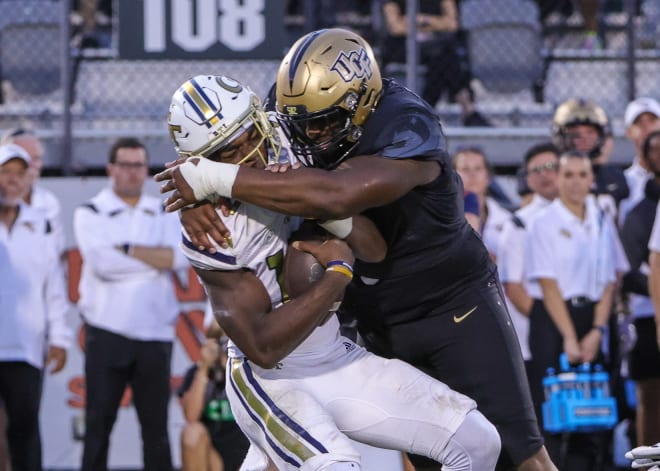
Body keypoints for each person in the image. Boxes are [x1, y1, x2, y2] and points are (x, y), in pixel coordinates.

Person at [156, 29, 556, 471]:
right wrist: (192, 192)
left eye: (325, 121)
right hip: (344, 323)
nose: (308, 134)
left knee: (509, 445)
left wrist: (210, 179)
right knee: (394, 460)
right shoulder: (269, 141)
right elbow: (262, 346)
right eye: (298, 121)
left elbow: (338, 200)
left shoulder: (405, 125)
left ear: (362, 102)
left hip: (450, 300)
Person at [74, 137, 189, 471]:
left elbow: (178, 258)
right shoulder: (91, 211)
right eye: (125, 165)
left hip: (155, 335)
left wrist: (124, 247)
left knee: (155, 431)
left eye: (139, 165)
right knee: (98, 425)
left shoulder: (163, 210)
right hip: (107, 332)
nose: (132, 173)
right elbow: (101, 264)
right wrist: (152, 258)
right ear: (111, 169)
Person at [525, 150, 618, 469]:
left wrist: (597, 331)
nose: (576, 183)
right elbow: (548, 284)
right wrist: (569, 337)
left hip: (594, 317)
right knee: (553, 410)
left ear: (592, 179)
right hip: (553, 321)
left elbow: (609, 280)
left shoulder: (602, 216)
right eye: (568, 175)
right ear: (558, 179)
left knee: (594, 407)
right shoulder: (542, 222)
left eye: (582, 175)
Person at [0, 143, 72, 471]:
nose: (12, 181)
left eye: (19, 174)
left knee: (25, 430)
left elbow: (53, 287)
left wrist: (59, 337)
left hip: (26, 347)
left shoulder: (41, 226)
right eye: (5, 172)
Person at [497, 142, 560, 373]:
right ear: (528, 180)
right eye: (536, 170)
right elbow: (513, 287)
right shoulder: (518, 224)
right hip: (539, 333)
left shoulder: (592, 215)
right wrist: (549, 324)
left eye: (551, 166)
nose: (544, 174)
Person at [380, 0, 490, 126]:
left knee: (444, 55)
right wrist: (436, 22)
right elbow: (395, 27)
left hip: (437, 44)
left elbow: (452, 24)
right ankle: (467, 108)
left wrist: (420, 20)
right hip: (403, 46)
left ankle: (425, 110)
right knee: (447, 56)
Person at [621, 130, 660, 448]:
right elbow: (632, 271)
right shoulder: (638, 212)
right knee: (649, 394)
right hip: (649, 316)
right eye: (655, 149)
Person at [177, 337, 250, 471]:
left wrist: (237, 366)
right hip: (211, 456)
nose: (226, 349)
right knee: (192, 433)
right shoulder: (197, 372)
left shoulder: (253, 370)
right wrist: (205, 368)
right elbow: (191, 416)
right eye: (222, 344)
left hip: (248, 456)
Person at [551, 97, 629, 219]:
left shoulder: (614, 177)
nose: (584, 138)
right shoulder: (549, 174)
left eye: (590, 132)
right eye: (575, 133)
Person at [1, 127, 65, 254]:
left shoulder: (49, 202)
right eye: (23, 158)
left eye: (36, 159)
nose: (32, 167)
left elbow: (54, 255)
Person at [453, 147, 512, 262]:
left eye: (478, 168)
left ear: (488, 177)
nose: (472, 174)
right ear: (453, 178)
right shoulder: (440, 219)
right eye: (465, 169)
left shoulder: (507, 220)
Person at [619, 97, 660, 227]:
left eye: (652, 120)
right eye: (638, 122)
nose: (646, 127)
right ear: (628, 132)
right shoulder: (623, 182)